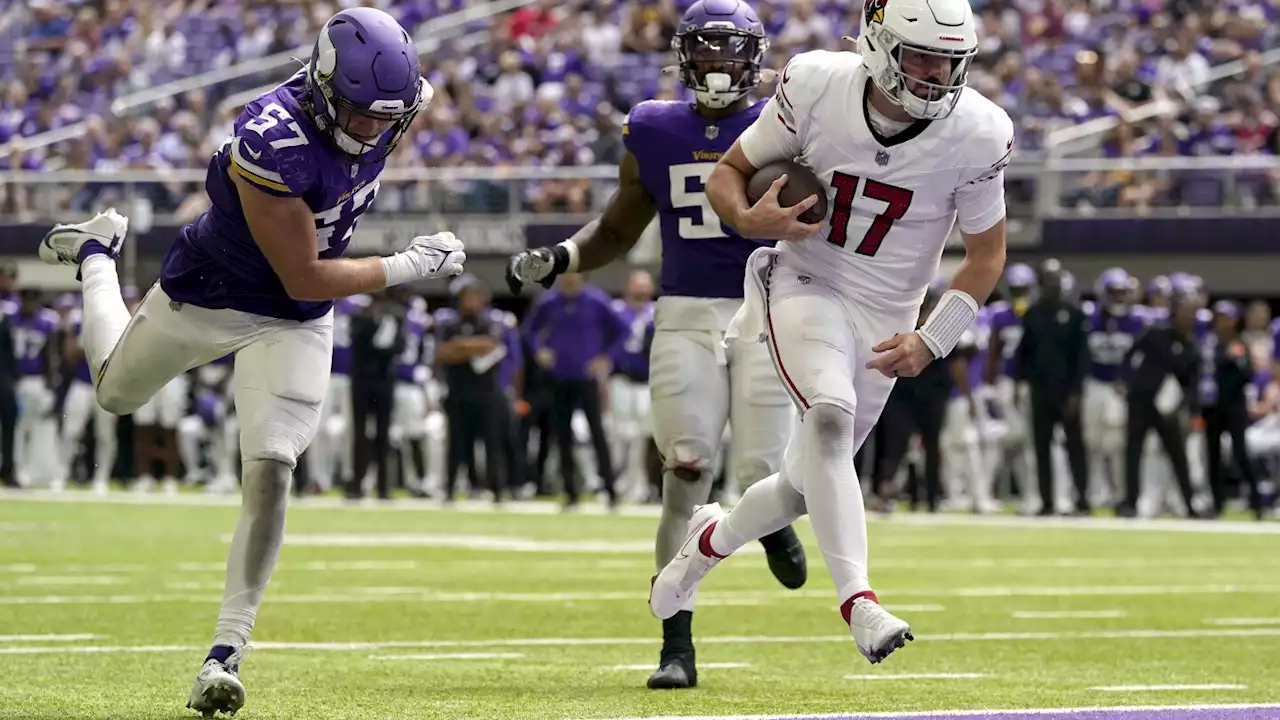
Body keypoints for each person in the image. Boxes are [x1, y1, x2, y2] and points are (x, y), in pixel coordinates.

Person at [36, 8, 466, 717]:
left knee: (272, 467)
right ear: (326, 89)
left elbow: (301, 293)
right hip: (211, 293)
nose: (371, 130)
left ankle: (224, 652)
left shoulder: (388, 105)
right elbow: (304, 274)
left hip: (289, 322)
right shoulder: (271, 138)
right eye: (357, 115)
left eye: (382, 117)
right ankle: (95, 254)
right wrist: (405, 264)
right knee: (113, 395)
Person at [648, 0, 1012, 665]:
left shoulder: (980, 131)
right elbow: (729, 172)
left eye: (949, 61)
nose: (936, 74)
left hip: (890, 313)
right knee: (829, 418)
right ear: (879, 43)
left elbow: (986, 256)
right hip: (805, 280)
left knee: (799, 487)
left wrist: (934, 338)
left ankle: (708, 542)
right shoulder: (817, 83)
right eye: (923, 55)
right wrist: (751, 222)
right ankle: (860, 603)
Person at [505, 0, 809, 689]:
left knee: (764, 471)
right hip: (685, 312)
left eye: (729, 51)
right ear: (681, 55)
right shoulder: (654, 127)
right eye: (703, 50)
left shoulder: (790, 128)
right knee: (687, 469)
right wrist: (561, 256)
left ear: (754, 59)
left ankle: (770, 523)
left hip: (769, 310)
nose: (716, 64)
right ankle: (677, 644)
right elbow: (616, 230)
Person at [1015, 259, 1090, 515]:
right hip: (1040, 391)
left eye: (1055, 280)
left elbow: (1082, 357)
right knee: (1041, 448)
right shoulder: (1033, 314)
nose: (1053, 286)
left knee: (1075, 447)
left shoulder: (1075, 314)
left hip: (1067, 391)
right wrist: (1019, 385)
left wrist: (1077, 392)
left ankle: (1082, 499)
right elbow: (1023, 353)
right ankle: (1046, 501)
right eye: (1048, 281)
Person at [1117, 288, 1200, 518]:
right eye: (1184, 311)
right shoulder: (1155, 333)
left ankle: (1190, 504)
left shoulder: (1192, 347)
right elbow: (1129, 355)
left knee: (1178, 456)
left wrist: (1182, 407)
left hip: (1168, 411)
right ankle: (1130, 502)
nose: (1187, 316)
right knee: (1133, 451)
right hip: (1141, 400)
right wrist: (1126, 382)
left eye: (1191, 312)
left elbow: (1192, 385)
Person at [434, 275, 509, 503]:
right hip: (457, 391)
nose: (472, 301)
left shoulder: (490, 322)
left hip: (486, 392)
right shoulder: (449, 323)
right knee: (456, 443)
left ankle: (496, 490)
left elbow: (491, 345)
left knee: (491, 442)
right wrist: (468, 348)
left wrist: (460, 346)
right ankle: (449, 489)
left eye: (476, 296)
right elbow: (441, 353)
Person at [1082, 267, 1145, 510]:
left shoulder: (1137, 320)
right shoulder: (1091, 317)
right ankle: (1093, 493)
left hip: (1120, 388)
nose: (1119, 296)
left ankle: (1121, 494)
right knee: (1092, 442)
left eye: (1122, 292)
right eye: (1114, 292)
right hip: (1095, 383)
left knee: (1118, 444)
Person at [1204, 300, 1263, 518]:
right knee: (1213, 456)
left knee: (1241, 453)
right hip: (1212, 407)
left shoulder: (1239, 343)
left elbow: (1247, 373)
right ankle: (1217, 503)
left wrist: (1233, 361)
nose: (1223, 322)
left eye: (1227, 318)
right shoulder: (1208, 343)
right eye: (1219, 317)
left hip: (1234, 407)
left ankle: (1257, 503)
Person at [348, 289, 404, 500]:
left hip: (384, 381)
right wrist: (375, 325)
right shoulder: (359, 315)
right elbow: (357, 343)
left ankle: (383, 487)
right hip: (362, 380)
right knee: (359, 434)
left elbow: (400, 346)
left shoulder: (396, 316)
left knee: (384, 434)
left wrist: (380, 345)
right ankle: (356, 485)